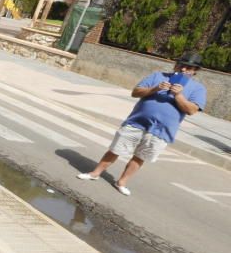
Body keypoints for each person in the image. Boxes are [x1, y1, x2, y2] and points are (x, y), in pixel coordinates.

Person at [77, 52, 207, 196]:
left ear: (195, 71)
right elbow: (136, 92)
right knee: (116, 149)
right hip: (137, 122)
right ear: (176, 64)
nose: (183, 69)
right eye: (181, 65)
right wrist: (155, 89)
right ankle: (95, 173)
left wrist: (178, 95)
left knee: (140, 156)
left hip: (162, 130)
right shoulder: (158, 76)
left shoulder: (197, 88)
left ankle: (121, 182)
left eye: (188, 68)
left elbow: (192, 110)